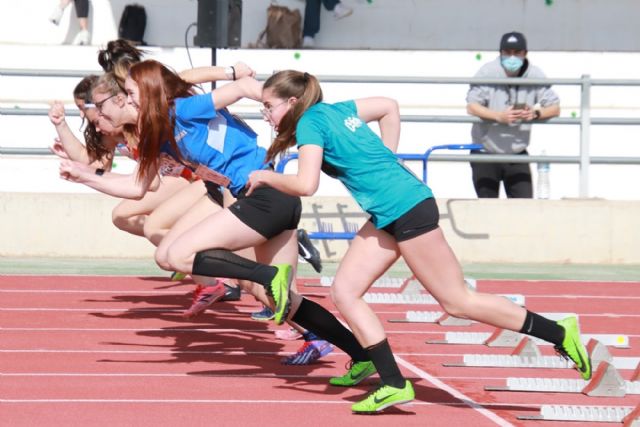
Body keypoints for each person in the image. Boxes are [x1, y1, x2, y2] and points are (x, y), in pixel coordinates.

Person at [245, 69, 592, 414]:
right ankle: (389, 378)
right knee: (345, 292)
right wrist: (387, 157)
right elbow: (388, 106)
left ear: (292, 102)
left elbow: (306, 185)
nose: (266, 114)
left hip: (406, 208)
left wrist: (265, 177)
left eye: (268, 106)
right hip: (389, 211)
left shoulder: (309, 123)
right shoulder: (337, 109)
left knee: (457, 302)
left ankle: (559, 332)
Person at [59, 61, 364, 366]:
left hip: (260, 193)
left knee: (188, 259)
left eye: (129, 92)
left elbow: (241, 87)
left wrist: (281, 108)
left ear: (146, 91)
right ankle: (358, 352)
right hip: (244, 194)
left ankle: (266, 279)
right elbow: (138, 188)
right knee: (273, 293)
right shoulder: (157, 131)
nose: (125, 101)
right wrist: (85, 177)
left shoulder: (184, 109)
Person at [466, 31, 560, 198]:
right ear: (500, 53)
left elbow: (555, 107)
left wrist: (535, 113)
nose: (512, 57)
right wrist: (498, 116)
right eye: (507, 52)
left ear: (525, 54)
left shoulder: (534, 74)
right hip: (485, 152)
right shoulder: (487, 72)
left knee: (524, 209)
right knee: (487, 211)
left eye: (517, 53)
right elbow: (472, 106)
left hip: (517, 153)